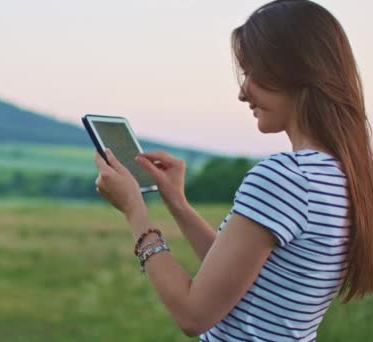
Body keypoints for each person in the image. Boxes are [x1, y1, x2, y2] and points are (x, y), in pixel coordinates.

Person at [92, 0, 373, 340]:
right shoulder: (343, 176)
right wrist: (177, 203)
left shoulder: (286, 178)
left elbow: (193, 314)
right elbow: (236, 275)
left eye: (252, 73)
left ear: (295, 71)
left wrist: (135, 211)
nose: (243, 93)